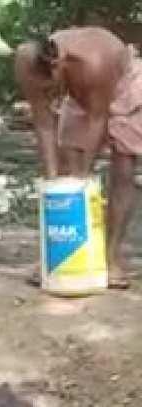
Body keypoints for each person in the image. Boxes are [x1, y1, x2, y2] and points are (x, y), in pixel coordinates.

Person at [15, 26, 142, 289]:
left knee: (123, 171)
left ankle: (111, 258)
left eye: (49, 87)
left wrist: (82, 179)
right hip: (79, 93)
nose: (45, 94)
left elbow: (99, 119)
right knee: (63, 173)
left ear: (58, 65)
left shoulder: (93, 62)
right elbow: (43, 123)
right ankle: (59, 255)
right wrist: (53, 182)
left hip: (123, 86)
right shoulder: (28, 62)